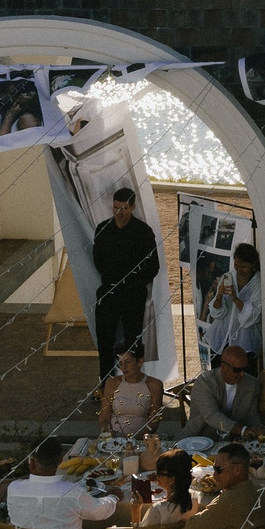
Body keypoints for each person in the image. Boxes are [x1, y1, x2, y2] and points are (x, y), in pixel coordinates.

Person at [90, 185, 162, 377]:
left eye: (124, 208)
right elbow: (98, 261)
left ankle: (132, 383)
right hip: (109, 292)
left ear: (132, 208)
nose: (119, 213)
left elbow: (153, 267)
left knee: (133, 342)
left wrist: (133, 282)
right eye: (115, 208)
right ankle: (106, 384)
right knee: (105, 341)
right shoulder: (103, 229)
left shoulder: (143, 232)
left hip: (132, 295)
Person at [198, 242, 262, 365]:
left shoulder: (258, 283)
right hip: (221, 338)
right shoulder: (228, 276)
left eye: (243, 267)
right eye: (236, 265)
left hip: (245, 342)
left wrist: (235, 298)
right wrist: (219, 296)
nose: (239, 270)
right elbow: (217, 314)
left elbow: (253, 317)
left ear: (253, 264)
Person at [186, 344, 261, 438]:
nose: (242, 374)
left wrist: (257, 431)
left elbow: (252, 415)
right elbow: (212, 416)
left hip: (237, 440)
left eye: (244, 369)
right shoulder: (205, 382)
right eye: (237, 370)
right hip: (201, 438)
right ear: (223, 367)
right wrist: (242, 430)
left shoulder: (252, 383)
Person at [98, 348, 167, 438]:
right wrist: (109, 435)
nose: (123, 367)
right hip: (115, 438)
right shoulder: (112, 383)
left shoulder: (154, 385)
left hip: (141, 438)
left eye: (127, 362)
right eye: (120, 363)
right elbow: (104, 417)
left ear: (139, 362)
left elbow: (154, 419)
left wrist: (137, 438)